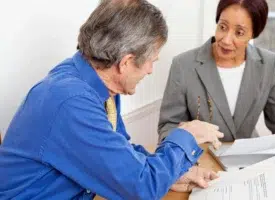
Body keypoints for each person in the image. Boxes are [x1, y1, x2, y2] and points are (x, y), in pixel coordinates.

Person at [0, 0, 224, 199]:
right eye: (151, 61)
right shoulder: (72, 102)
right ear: (125, 63)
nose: (150, 70)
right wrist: (187, 135)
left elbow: (120, 154)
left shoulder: (95, 80)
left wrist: (171, 174)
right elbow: (141, 188)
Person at [158, 0, 275, 156]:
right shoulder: (183, 65)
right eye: (222, 27)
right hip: (200, 160)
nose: (226, 40)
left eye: (239, 32)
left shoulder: (269, 64)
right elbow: (168, 128)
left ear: (253, 33)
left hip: (249, 161)